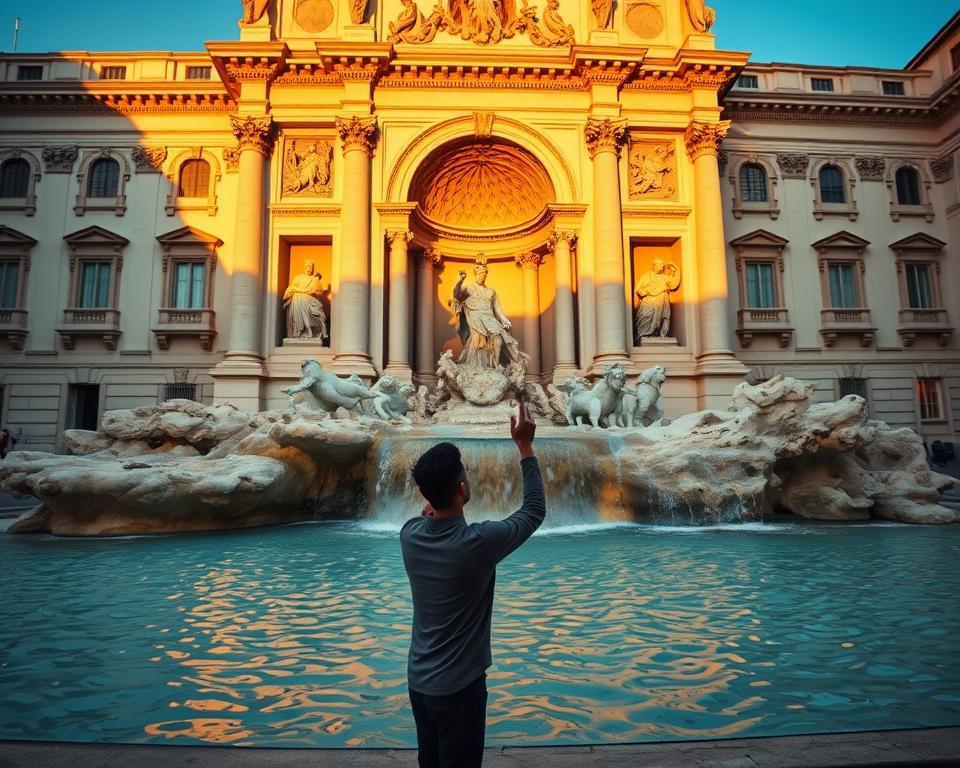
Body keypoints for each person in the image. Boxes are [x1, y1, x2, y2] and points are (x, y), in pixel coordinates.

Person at [401, 402, 545, 767]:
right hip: (460, 688)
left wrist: (433, 506)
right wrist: (525, 448)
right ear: (462, 488)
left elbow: (425, 516)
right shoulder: (478, 544)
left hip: (419, 683)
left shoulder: (409, 535)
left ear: (425, 496)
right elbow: (533, 511)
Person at [451, 259, 524, 371]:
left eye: (483, 275)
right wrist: (460, 280)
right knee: (477, 342)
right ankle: (475, 367)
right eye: (479, 275)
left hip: (490, 319)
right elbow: (457, 294)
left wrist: (504, 320)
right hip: (475, 319)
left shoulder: (491, 291)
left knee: (498, 340)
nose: (481, 277)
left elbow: (497, 307)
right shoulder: (469, 288)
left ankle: (494, 367)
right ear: (476, 275)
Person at [633, 258, 681, 340]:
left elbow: (673, 284)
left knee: (663, 316)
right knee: (646, 315)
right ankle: (643, 335)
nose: (661, 267)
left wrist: (674, 270)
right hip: (649, 300)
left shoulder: (664, 278)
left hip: (661, 300)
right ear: (654, 266)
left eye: (662, 265)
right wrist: (644, 291)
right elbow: (638, 289)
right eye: (659, 265)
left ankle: (661, 335)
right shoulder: (648, 275)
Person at [282, 260, 328, 340]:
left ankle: (306, 329)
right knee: (297, 297)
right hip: (299, 298)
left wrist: (315, 283)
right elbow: (290, 289)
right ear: (304, 268)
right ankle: (300, 329)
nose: (309, 268)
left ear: (313, 269)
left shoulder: (314, 279)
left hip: (309, 299)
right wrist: (300, 291)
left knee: (299, 298)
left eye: (311, 267)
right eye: (307, 266)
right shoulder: (299, 278)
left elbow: (319, 292)